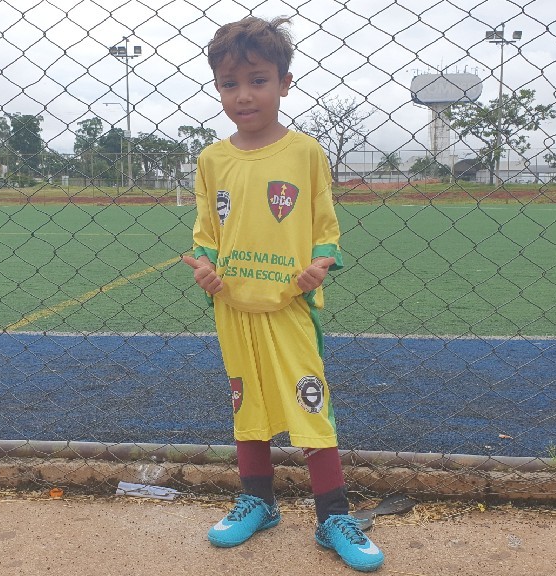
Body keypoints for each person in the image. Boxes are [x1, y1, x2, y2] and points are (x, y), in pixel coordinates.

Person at [181, 16, 384, 572]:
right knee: (247, 404)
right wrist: (207, 271)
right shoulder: (211, 160)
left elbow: (325, 226)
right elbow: (207, 237)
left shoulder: (305, 153)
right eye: (229, 83)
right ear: (217, 87)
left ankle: (333, 516)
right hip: (233, 306)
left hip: (288, 305)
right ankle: (259, 502)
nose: (243, 95)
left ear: (285, 82)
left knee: (309, 402)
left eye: (258, 80)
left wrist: (321, 263)